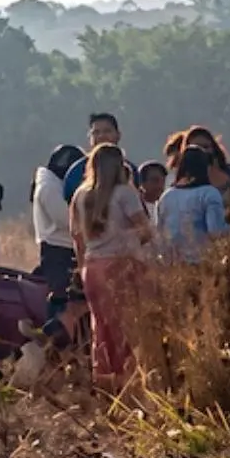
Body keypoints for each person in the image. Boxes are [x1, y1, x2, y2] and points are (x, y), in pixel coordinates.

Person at [70, 144, 152, 383]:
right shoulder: (125, 194)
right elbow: (146, 230)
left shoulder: (80, 195)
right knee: (126, 328)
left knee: (101, 328)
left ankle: (104, 378)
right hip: (121, 266)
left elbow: (77, 238)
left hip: (92, 268)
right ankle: (128, 380)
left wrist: (81, 267)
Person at [164, 126, 230, 237]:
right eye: (196, 147)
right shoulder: (180, 178)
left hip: (227, 236)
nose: (202, 151)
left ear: (214, 148)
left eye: (206, 147)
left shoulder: (229, 172)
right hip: (195, 240)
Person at [156, 147, 230, 264]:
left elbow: (160, 232)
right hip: (201, 263)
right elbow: (215, 233)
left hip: (172, 264)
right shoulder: (209, 193)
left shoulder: (166, 196)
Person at [31, 144, 84, 294]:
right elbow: (65, 220)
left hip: (68, 249)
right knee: (63, 298)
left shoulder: (56, 185)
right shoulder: (49, 187)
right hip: (58, 251)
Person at [61, 113, 133, 202]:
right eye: (96, 132)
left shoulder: (130, 170)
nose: (101, 136)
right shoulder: (77, 171)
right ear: (90, 137)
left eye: (107, 131)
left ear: (118, 135)